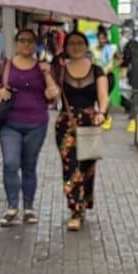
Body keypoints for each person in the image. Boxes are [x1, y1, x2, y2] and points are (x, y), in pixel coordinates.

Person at [0, 25, 60, 226]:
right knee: (10, 162)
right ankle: (12, 207)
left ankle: (29, 208)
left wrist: (48, 74)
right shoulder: (5, 65)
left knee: (29, 165)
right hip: (10, 123)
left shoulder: (42, 68)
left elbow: (54, 95)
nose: (26, 44)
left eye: (30, 41)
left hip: (37, 123)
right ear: (16, 43)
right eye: (22, 40)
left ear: (36, 45)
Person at [55, 30, 109, 231]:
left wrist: (102, 112)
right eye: (72, 44)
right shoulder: (60, 70)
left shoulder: (96, 70)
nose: (76, 47)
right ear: (66, 47)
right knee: (70, 167)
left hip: (89, 122)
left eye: (80, 43)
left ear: (86, 46)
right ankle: (75, 210)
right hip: (66, 123)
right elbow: (52, 94)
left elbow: (103, 96)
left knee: (87, 167)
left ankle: (84, 203)